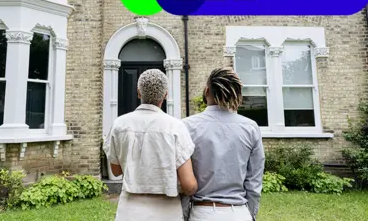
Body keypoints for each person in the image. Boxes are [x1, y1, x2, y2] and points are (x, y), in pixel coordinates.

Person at [103, 69, 198, 221]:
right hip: (167, 212)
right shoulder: (176, 127)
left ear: (138, 92)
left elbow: (115, 170)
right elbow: (189, 185)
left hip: (129, 211)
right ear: (165, 94)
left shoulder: (120, 124)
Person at [182, 67, 265, 221]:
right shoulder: (250, 128)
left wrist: (185, 215)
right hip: (238, 213)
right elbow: (254, 182)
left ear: (207, 91)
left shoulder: (187, 126)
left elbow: (182, 180)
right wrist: (250, 214)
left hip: (201, 212)